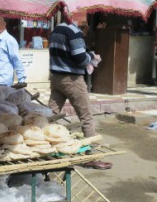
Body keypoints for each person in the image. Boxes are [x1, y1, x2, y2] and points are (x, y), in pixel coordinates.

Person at [48, 19, 111, 170]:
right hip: (72, 80)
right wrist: (92, 57)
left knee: (50, 115)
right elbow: (79, 58)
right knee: (87, 116)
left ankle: (46, 149)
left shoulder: (57, 29)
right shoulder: (74, 32)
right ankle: (92, 157)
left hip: (56, 77)